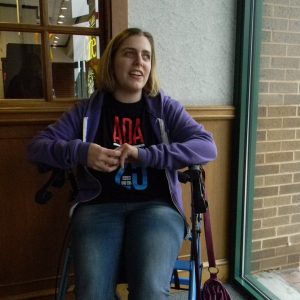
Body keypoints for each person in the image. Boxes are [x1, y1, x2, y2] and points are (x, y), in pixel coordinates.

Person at [27, 27, 217, 300]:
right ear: (112, 62)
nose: (139, 62)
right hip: (99, 208)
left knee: (150, 290)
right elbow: (36, 148)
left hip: (157, 208)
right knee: (91, 294)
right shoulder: (87, 112)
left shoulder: (164, 108)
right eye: (129, 54)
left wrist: (148, 155)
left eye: (146, 56)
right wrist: (82, 152)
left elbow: (207, 146)